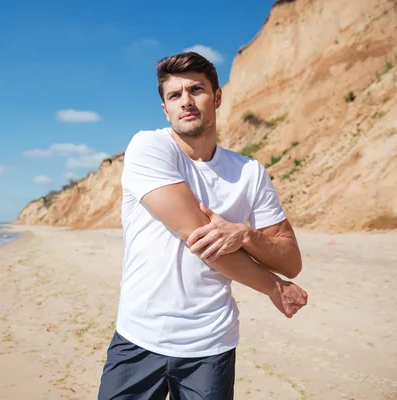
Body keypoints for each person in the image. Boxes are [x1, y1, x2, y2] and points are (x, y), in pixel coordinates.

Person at [97, 51, 308, 400]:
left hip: (211, 345)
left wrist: (247, 234)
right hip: (139, 337)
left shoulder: (249, 173)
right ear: (165, 109)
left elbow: (291, 261)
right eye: (174, 95)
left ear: (218, 96)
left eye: (196, 90)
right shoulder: (149, 148)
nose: (186, 102)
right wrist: (273, 287)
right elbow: (201, 239)